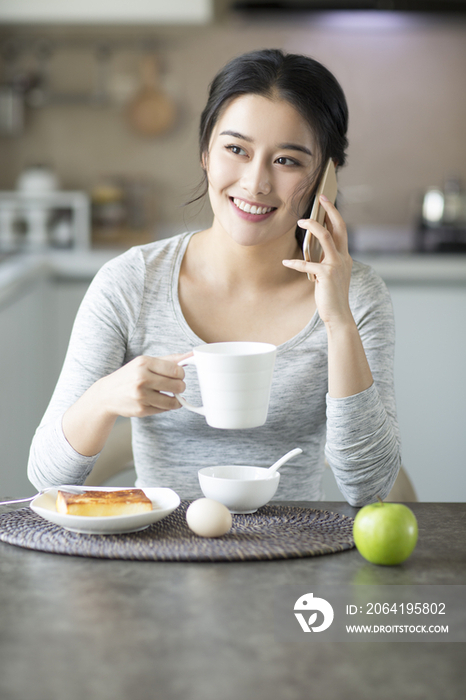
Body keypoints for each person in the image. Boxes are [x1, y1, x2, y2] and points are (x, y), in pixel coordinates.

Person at [28, 49, 401, 506]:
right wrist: (104, 399)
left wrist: (339, 321)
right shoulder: (130, 282)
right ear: (206, 152)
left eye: (287, 161)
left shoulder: (356, 295)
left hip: (296, 561)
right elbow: (45, 476)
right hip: (158, 563)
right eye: (236, 150)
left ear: (326, 177)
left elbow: (370, 487)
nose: (255, 183)